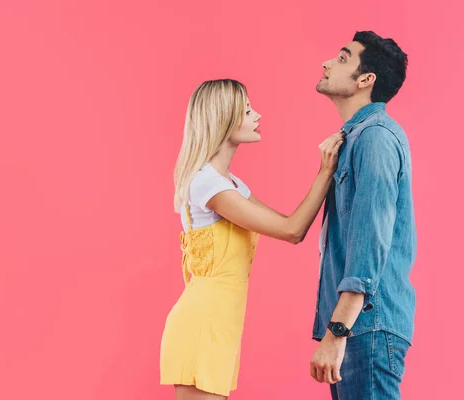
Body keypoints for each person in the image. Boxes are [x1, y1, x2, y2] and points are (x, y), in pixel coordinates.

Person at [160, 79, 343, 399]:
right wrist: (325, 171)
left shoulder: (228, 183)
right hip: (204, 322)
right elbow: (292, 231)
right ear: (224, 117)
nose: (256, 115)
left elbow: (289, 223)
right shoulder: (207, 184)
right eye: (246, 110)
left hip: (221, 322)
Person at [309, 31, 416, 400]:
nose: (327, 62)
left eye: (342, 58)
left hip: (365, 327)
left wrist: (337, 331)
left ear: (365, 79)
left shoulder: (375, 138)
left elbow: (370, 241)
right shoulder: (355, 138)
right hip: (359, 327)